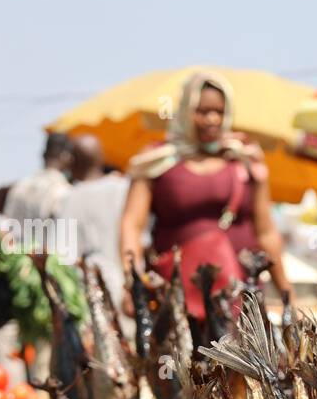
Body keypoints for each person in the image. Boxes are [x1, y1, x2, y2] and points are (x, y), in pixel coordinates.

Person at [119, 70, 293, 343]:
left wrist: (286, 293)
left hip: (240, 293)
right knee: (182, 373)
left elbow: (267, 231)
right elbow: (132, 224)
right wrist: (133, 283)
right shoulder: (157, 161)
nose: (212, 119)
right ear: (186, 111)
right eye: (202, 111)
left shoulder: (245, 159)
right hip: (177, 296)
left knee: (246, 376)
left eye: (219, 112)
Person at [56, 133, 130, 317]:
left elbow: (63, 256)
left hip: (90, 296)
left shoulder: (68, 198)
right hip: (128, 288)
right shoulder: (124, 189)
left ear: (74, 162)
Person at [4, 131, 72, 226]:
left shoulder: (19, 186)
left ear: (44, 155)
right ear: (66, 156)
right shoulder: (63, 191)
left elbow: (8, 225)